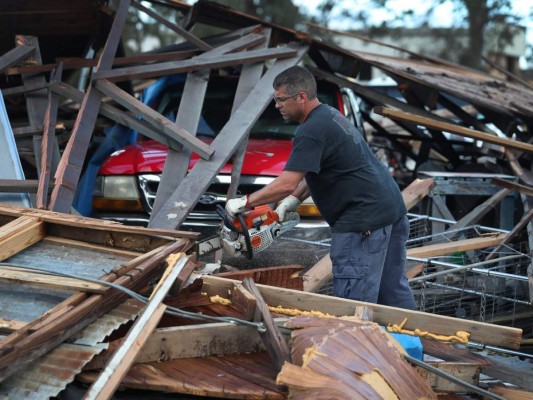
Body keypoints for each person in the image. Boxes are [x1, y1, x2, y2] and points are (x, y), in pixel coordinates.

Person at [226, 65, 416, 310]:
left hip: (362, 224)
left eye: (281, 99)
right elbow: (313, 171)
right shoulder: (330, 115)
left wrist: (244, 202)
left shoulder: (311, 130)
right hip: (390, 212)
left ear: (302, 97)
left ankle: (352, 347)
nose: (277, 106)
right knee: (392, 291)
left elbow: (286, 182)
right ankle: (409, 346)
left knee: (353, 303)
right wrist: (292, 201)